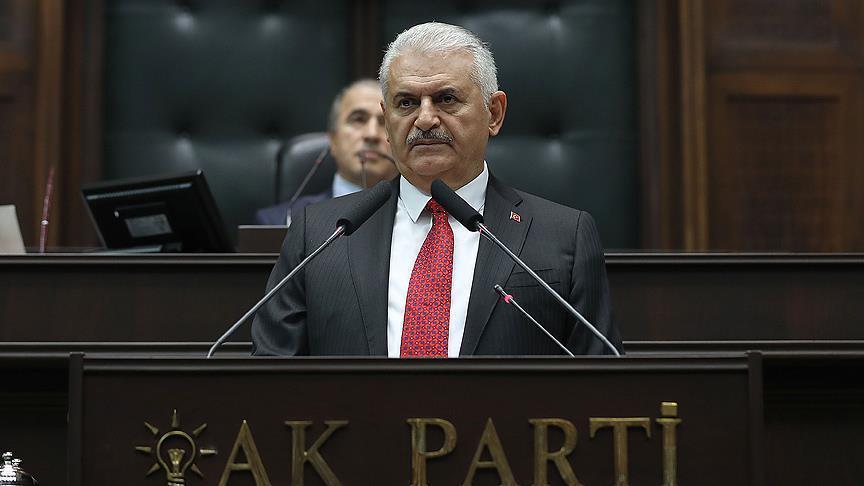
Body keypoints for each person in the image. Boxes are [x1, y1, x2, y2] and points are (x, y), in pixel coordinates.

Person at [252, 22, 622, 356]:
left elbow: (600, 385)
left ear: (494, 113)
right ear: (388, 119)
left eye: (446, 99)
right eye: (406, 103)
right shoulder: (319, 234)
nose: (425, 119)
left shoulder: (563, 236)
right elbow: (270, 382)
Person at [254, 79, 398, 225]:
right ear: (333, 140)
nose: (372, 134)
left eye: (384, 122)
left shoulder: (412, 219)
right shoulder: (279, 221)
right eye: (358, 120)